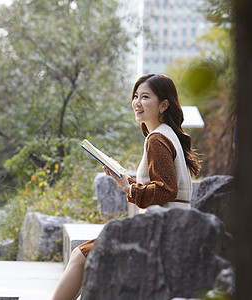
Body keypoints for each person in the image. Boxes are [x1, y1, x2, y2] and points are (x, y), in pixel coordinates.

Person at [51, 73, 201, 300]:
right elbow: (165, 188)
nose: (137, 103)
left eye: (145, 97)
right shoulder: (166, 135)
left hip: (158, 232)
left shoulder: (157, 139)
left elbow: (165, 190)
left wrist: (128, 187)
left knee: (81, 256)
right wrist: (123, 179)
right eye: (136, 96)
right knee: (83, 257)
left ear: (163, 105)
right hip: (170, 228)